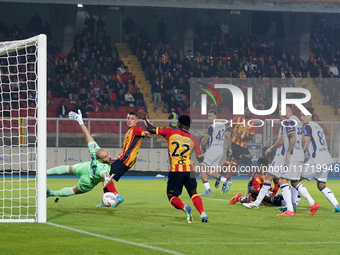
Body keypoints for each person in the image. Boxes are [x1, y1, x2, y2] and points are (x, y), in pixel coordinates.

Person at [244, 105, 319, 216]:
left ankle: (293, 208)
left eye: (281, 109)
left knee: (284, 181)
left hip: (288, 155)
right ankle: (305, 204)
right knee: (288, 181)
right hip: (295, 155)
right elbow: (294, 139)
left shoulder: (288, 122)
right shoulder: (297, 120)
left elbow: (291, 139)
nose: (279, 112)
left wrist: (288, 153)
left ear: (288, 109)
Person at [139, 110, 208, 223]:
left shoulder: (170, 131)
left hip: (176, 170)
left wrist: (145, 118)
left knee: (171, 195)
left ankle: (185, 208)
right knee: (193, 193)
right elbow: (201, 159)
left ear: (179, 124)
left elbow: (151, 129)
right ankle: (202, 213)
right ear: (189, 126)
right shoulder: (194, 139)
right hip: (190, 170)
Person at [46, 110, 112, 199]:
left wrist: (80, 121)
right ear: (100, 160)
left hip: (86, 167)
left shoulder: (95, 151)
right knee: (74, 190)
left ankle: (44, 173)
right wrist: (106, 178)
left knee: (68, 168)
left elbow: (87, 135)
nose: (108, 157)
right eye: (105, 157)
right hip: (88, 180)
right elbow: (103, 173)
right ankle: (52, 193)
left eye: (107, 154)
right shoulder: (103, 167)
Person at [98, 112, 153, 208]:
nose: (129, 120)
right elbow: (126, 149)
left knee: (106, 175)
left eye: (132, 118)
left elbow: (148, 134)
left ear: (136, 121)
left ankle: (117, 196)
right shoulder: (129, 131)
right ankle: (106, 200)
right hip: (124, 158)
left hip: (127, 159)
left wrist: (146, 121)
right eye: (128, 118)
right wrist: (116, 158)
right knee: (105, 176)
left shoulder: (136, 129)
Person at [300, 107, 340, 213]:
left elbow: (307, 141)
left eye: (303, 115)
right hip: (326, 158)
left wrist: (301, 152)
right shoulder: (319, 126)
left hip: (317, 160)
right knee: (321, 185)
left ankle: (293, 205)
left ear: (310, 115)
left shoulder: (308, 126)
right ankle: (337, 206)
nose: (301, 117)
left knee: (295, 179)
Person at [217, 107, 256, 193]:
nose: (247, 111)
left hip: (241, 146)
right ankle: (218, 177)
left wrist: (241, 135)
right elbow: (229, 128)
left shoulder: (252, 123)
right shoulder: (237, 118)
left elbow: (250, 137)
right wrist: (226, 132)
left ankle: (227, 182)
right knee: (227, 162)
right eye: (246, 109)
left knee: (233, 164)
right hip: (232, 143)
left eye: (249, 110)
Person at [199, 110, 231, 195]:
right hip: (220, 150)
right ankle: (226, 181)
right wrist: (230, 148)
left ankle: (208, 190)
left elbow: (204, 141)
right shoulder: (223, 126)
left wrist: (201, 148)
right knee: (209, 172)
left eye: (211, 116)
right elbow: (228, 137)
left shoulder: (211, 127)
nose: (209, 118)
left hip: (212, 149)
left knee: (202, 168)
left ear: (216, 116)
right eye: (208, 116)